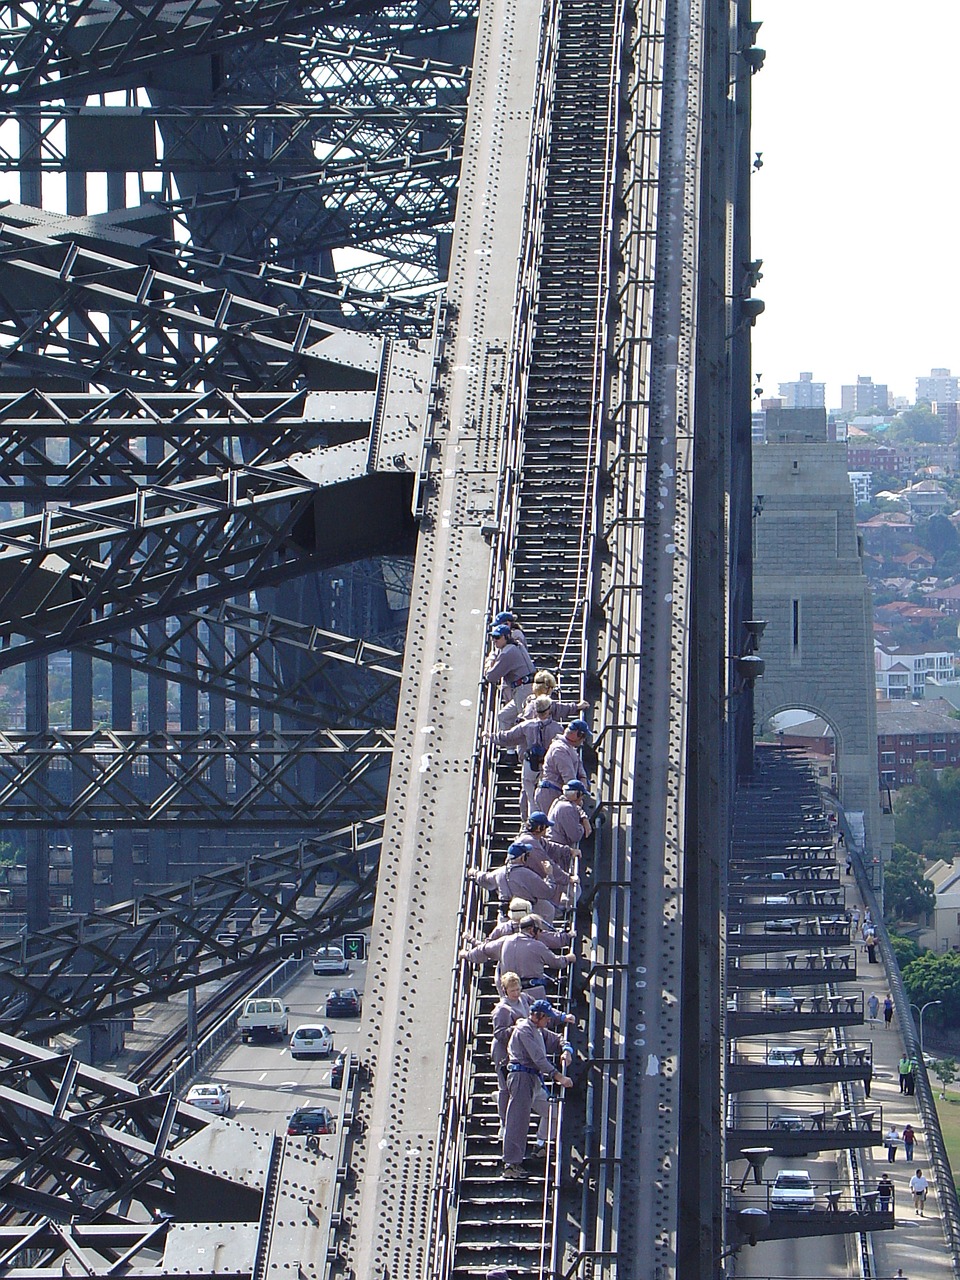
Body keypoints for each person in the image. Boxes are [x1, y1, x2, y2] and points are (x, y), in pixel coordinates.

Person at [501, 999, 573, 1178]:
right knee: (518, 1121)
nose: (548, 1020)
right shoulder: (524, 1030)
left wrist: (566, 1049)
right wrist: (559, 1077)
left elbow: (557, 1039)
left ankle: (540, 1145)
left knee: (553, 1112)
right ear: (537, 1016)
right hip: (521, 1078)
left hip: (533, 1080)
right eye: (546, 1017)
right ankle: (511, 1165)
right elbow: (539, 1059)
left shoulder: (538, 1030)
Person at [461, 914, 575, 1002]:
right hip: (534, 992)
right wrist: (568, 958)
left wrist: (467, 955)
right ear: (532, 930)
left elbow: (483, 950)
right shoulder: (538, 946)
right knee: (540, 1024)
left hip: (510, 995)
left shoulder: (504, 940)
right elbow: (556, 963)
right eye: (539, 930)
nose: (540, 933)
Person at [491, 696, 565, 820]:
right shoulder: (557, 728)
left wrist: (490, 736)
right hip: (548, 766)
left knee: (530, 796)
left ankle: (529, 822)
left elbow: (508, 736)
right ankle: (545, 822)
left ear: (535, 710)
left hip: (530, 764)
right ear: (549, 710)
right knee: (546, 795)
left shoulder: (527, 725)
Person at [467, 842, 556, 921]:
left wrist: (474, 872)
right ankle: (544, 936)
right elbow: (548, 892)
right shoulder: (527, 874)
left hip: (505, 914)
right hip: (527, 912)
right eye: (527, 855)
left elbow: (485, 878)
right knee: (549, 910)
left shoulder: (499, 872)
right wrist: (550, 874)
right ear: (522, 857)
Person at [484, 624, 537, 731]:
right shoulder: (516, 645)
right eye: (492, 637)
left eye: (497, 637)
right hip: (523, 688)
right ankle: (511, 748)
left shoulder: (508, 652)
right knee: (504, 716)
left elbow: (491, 676)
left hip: (523, 690)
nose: (494, 640)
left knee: (526, 724)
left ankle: (526, 747)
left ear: (506, 637)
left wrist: (490, 661)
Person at [534, 720, 591, 813]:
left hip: (557, 791)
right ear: (577, 734)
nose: (583, 739)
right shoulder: (560, 749)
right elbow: (569, 778)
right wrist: (577, 794)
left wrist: (582, 781)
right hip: (551, 792)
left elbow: (581, 770)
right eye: (583, 736)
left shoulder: (569, 748)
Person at [547, 779, 593, 850]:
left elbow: (577, 808)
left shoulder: (559, 801)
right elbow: (575, 836)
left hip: (554, 846)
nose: (582, 798)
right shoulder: (568, 808)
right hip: (558, 849)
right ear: (576, 794)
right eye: (582, 795)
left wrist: (584, 818)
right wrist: (582, 827)